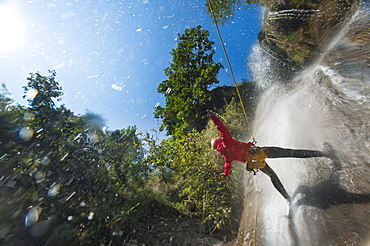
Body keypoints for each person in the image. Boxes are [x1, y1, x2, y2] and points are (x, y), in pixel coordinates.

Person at [206, 110, 331, 200]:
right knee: (291, 153)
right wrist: (214, 117)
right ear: (219, 141)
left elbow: (227, 166)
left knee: (272, 176)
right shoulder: (226, 142)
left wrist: (225, 175)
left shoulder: (226, 156)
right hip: (258, 152)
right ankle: (324, 153)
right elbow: (222, 129)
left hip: (255, 163)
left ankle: (288, 199)